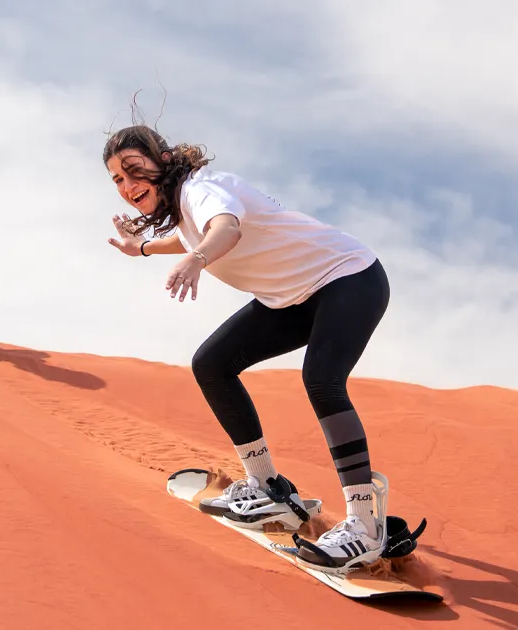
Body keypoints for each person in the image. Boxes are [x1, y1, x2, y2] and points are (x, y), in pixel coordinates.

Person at [103, 123, 392, 573]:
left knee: (322, 380)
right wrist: (139, 248)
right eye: (117, 180)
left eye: (134, 170)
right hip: (294, 298)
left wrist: (197, 260)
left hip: (349, 279)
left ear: (162, 161)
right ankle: (267, 487)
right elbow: (188, 235)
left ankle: (365, 526)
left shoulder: (202, 190)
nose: (127, 185)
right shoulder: (186, 207)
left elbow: (225, 229)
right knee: (212, 364)